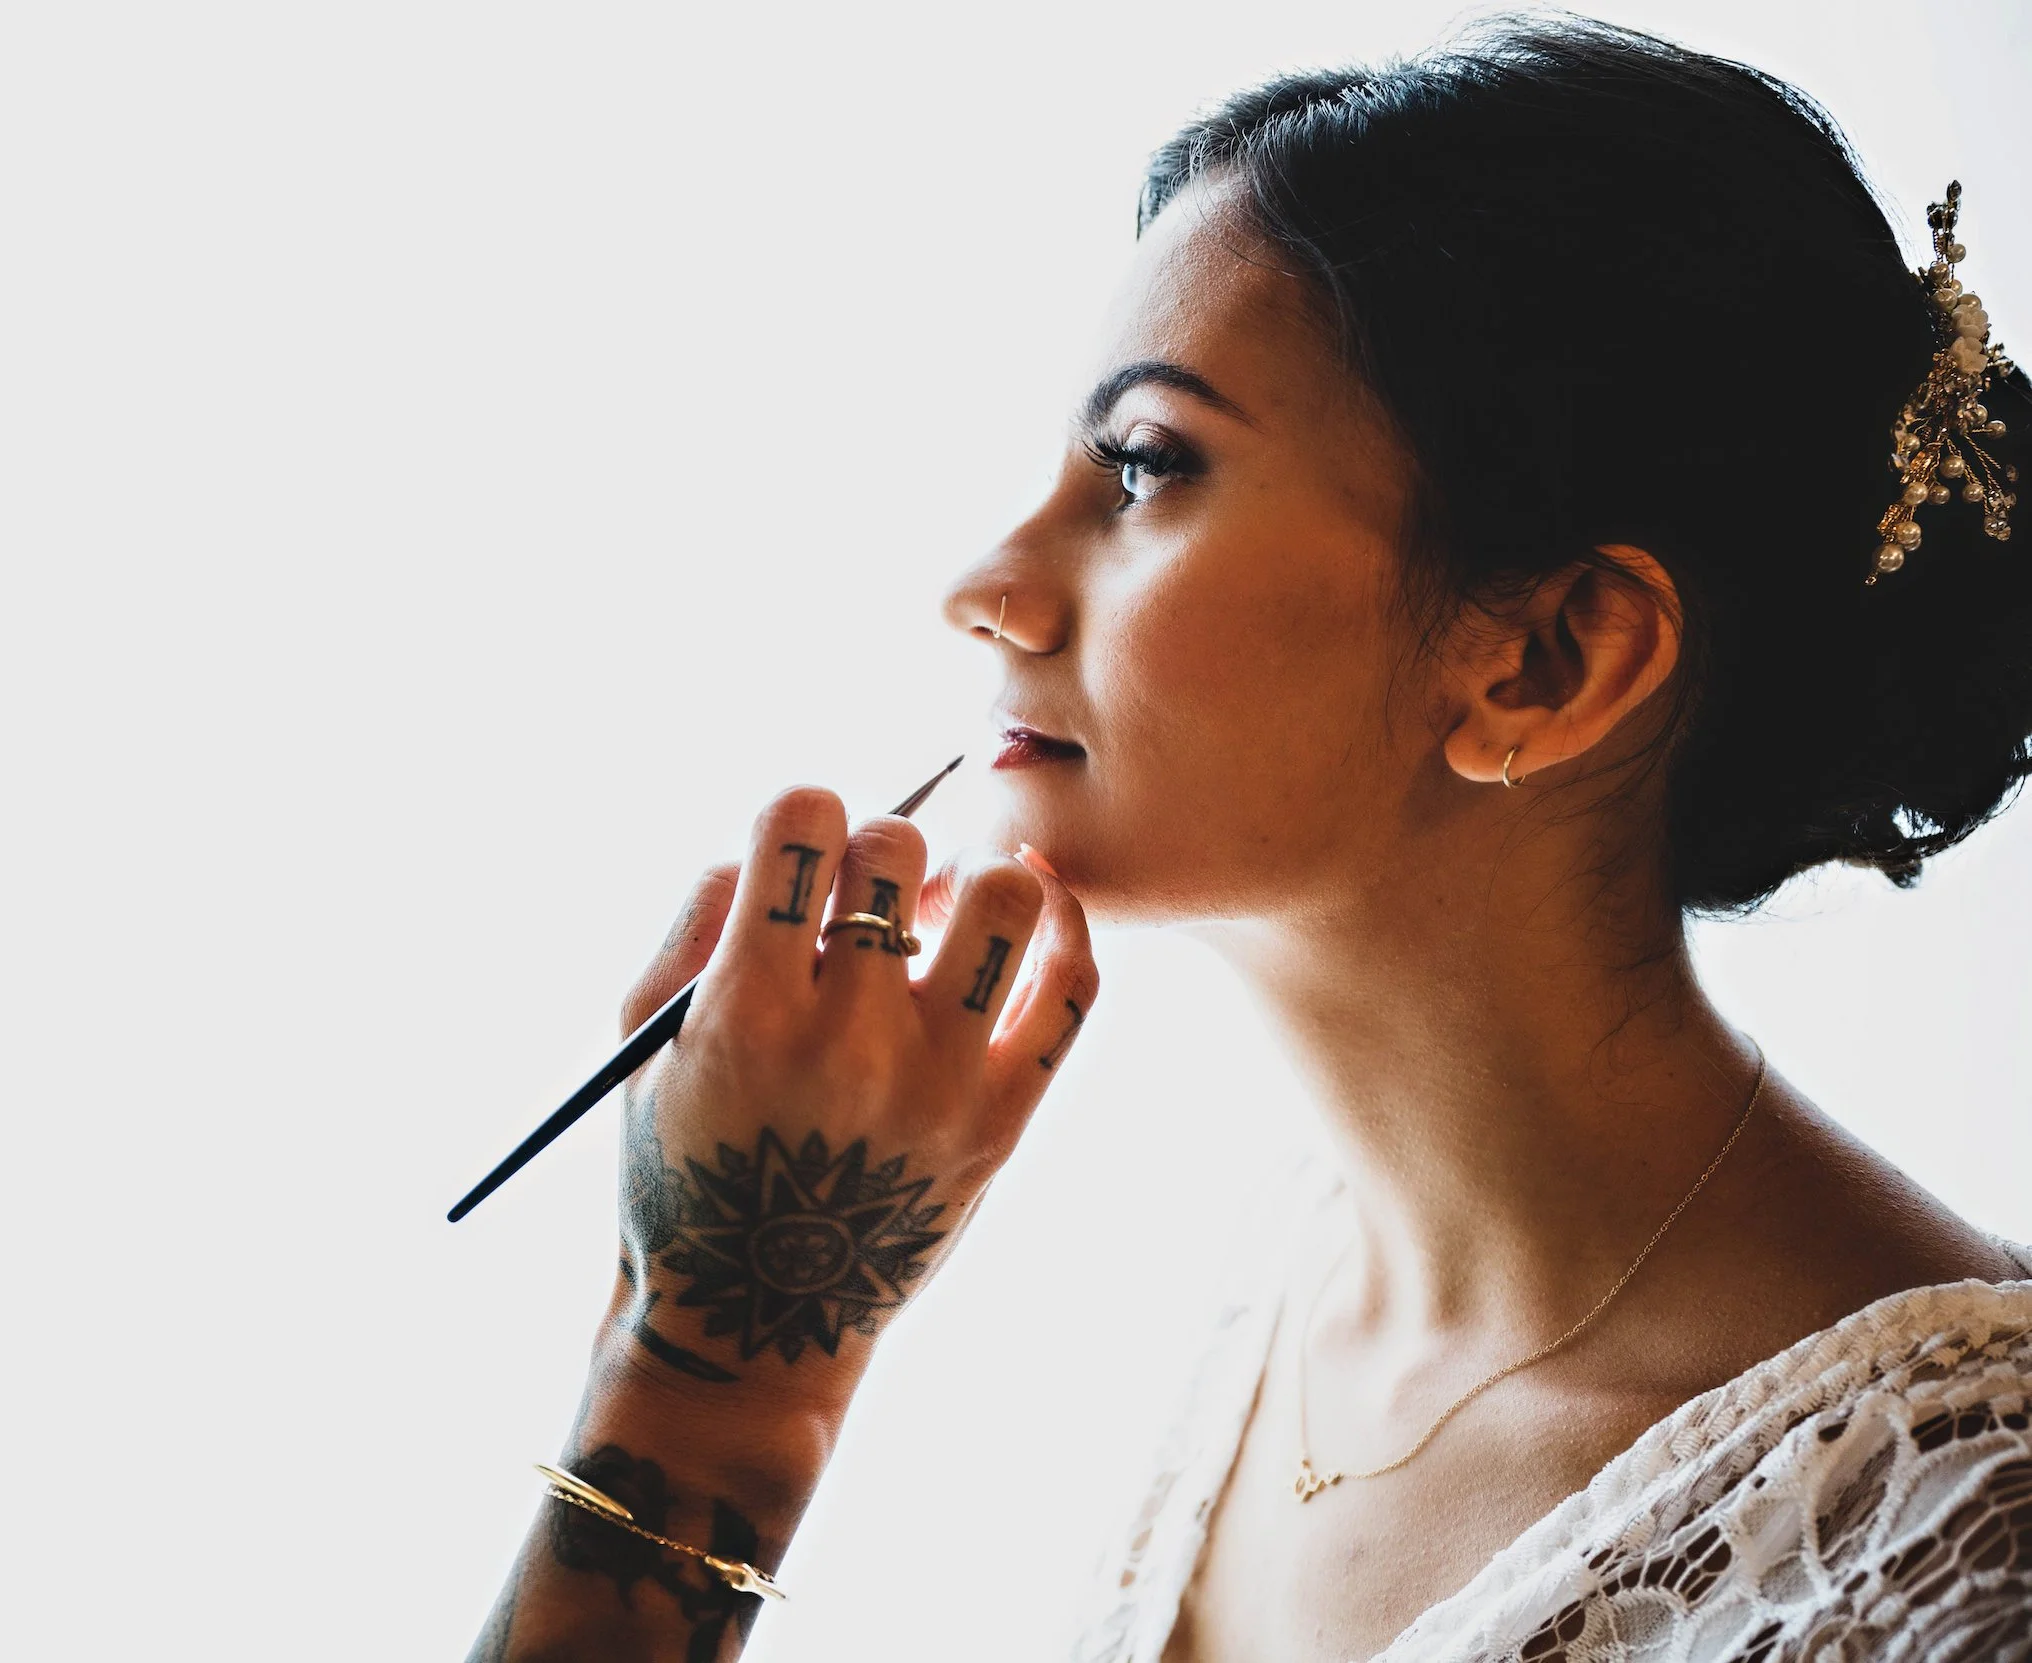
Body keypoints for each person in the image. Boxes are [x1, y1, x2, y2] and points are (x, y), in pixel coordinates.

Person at [468, 17, 2032, 1660]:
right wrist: (732, 1339)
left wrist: (716, 1383)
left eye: (1147, 467)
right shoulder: (1278, 1279)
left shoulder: (1959, 1554)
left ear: (1546, 657)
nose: (984, 587)